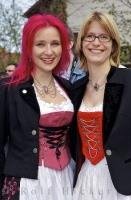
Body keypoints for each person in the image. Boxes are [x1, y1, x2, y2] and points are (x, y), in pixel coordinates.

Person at [0, 14, 75, 200]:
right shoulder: (9, 89)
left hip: (66, 177)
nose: (49, 52)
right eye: (40, 44)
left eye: (55, 44)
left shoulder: (68, 87)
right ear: (28, 48)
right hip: (28, 183)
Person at [70, 11, 131, 199]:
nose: (96, 43)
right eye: (90, 36)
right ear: (81, 43)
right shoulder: (75, 89)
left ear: (113, 44)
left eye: (104, 37)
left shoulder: (130, 81)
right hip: (87, 179)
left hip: (125, 183)